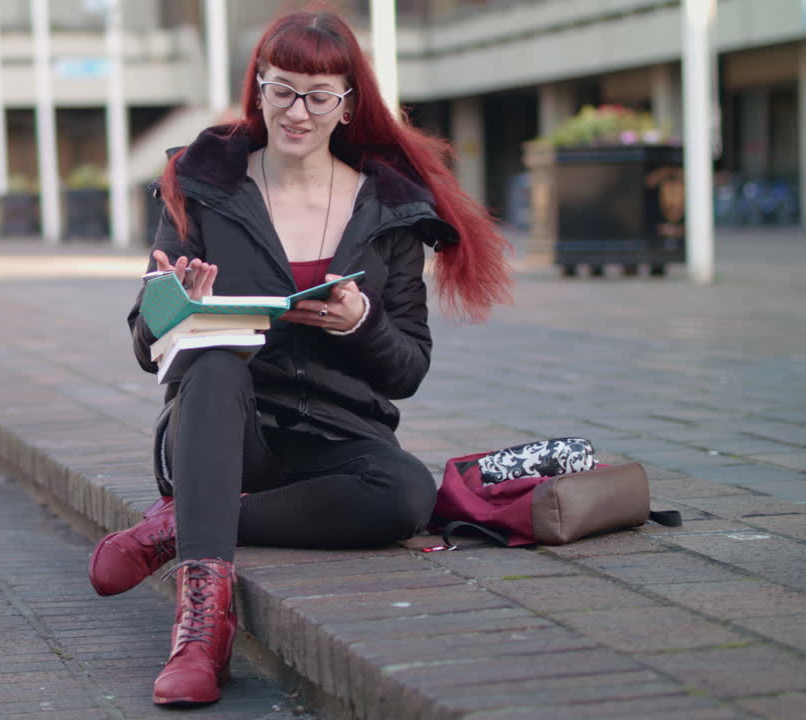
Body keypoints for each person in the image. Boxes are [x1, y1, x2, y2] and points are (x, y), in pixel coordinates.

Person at [86, 8, 512, 707]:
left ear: (348, 105)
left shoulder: (388, 211)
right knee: (217, 361)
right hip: (224, 429)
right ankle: (201, 633)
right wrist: (181, 306)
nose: (298, 112)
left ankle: (182, 520)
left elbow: (408, 370)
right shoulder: (204, 183)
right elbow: (143, 339)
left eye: (320, 96)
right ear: (258, 88)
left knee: (406, 494)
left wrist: (361, 322)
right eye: (282, 89)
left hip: (339, 440)